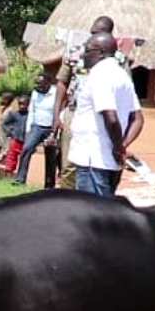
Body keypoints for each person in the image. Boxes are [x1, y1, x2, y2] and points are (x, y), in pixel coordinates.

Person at [68, 32, 143, 198]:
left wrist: (117, 148)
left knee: (91, 214)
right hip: (108, 161)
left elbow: (111, 117)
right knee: (105, 212)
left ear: (100, 53)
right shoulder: (122, 75)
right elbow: (138, 119)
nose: (83, 55)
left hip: (94, 160)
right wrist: (122, 147)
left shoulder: (100, 75)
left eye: (87, 51)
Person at [52, 16, 115, 188]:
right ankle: (67, 204)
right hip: (74, 113)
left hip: (104, 115)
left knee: (97, 164)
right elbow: (62, 83)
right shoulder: (75, 51)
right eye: (92, 32)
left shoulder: (118, 59)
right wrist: (56, 114)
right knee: (69, 163)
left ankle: (91, 203)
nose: (93, 36)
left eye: (99, 33)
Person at [14, 73, 56, 185]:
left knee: (51, 155)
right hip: (36, 127)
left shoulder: (55, 93)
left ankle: (49, 184)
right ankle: (20, 179)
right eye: (37, 83)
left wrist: (55, 131)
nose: (38, 86)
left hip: (51, 128)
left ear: (48, 83)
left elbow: (59, 111)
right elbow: (31, 111)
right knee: (26, 149)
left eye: (40, 84)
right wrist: (28, 130)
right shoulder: (35, 93)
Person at [0, 95, 28, 173]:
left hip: (25, 140)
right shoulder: (14, 114)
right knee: (11, 156)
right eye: (20, 104)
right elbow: (4, 124)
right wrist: (10, 132)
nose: (22, 106)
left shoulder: (30, 116)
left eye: (24, 104)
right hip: (15, 139)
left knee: (24, 157)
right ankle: (9, 172)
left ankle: (21, 173)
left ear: (28, 104)